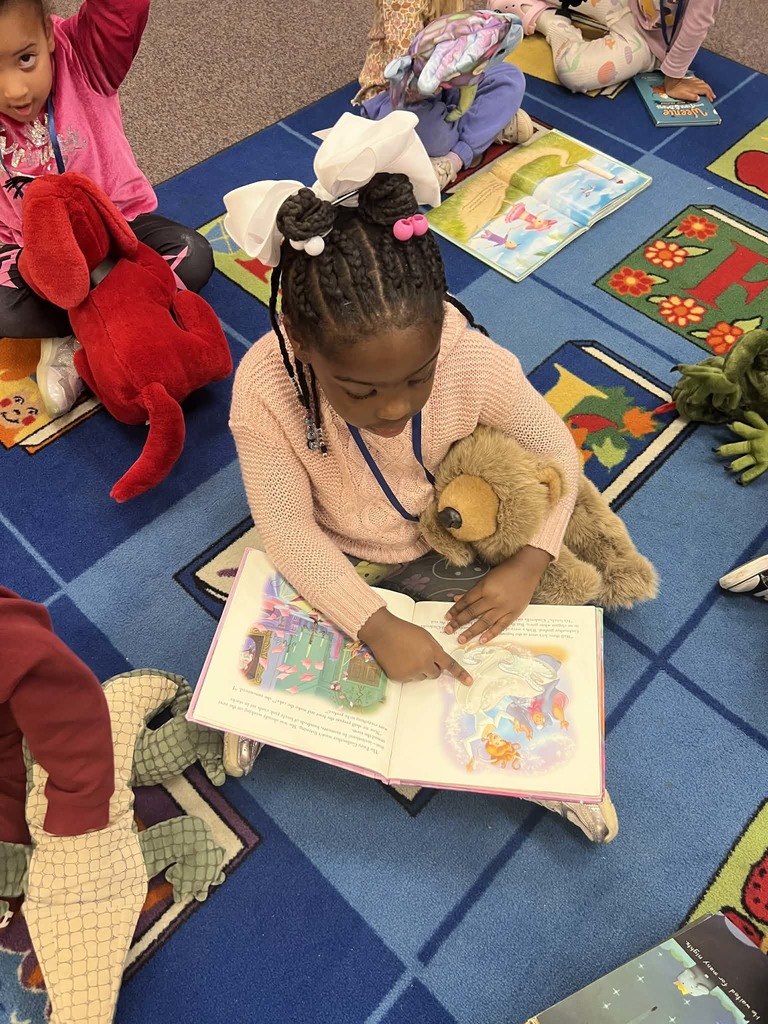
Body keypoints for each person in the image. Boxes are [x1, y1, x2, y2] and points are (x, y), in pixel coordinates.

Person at [223, 119, 617, 843]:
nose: (397, 406)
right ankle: (257, 709)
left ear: (438, 325)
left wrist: (531, 563)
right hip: (344, 551)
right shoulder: (262, 389)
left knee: (505, 652)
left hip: (448, 531)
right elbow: (287, 529)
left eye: (416, 377)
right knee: (286, 632)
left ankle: (557, 771)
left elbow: (557, 448)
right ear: (301, 345)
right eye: (361, 391)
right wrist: (371, 623)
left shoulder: (467, 357)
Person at [0, 0, 214, 416]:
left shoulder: (85, 57)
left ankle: (100, 324)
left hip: (118, 234)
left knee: (193, 255)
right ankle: (107, 325)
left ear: (47, 35)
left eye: (26, 59)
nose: (15, 91)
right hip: (31, 256)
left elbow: (121, 11)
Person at [355, 0, 535, 191]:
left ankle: (454, 159)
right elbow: (407, 72)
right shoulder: (402, 3)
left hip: (450, 83)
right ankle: (486, 128)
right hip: (396, 93)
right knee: (439, 138)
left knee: (511, 78)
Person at [496, 0, 719, 100]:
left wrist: (674, 79)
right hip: (627, 5)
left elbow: (695, 28)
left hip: (649, 43)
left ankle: (552, 22)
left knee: (574, 73)